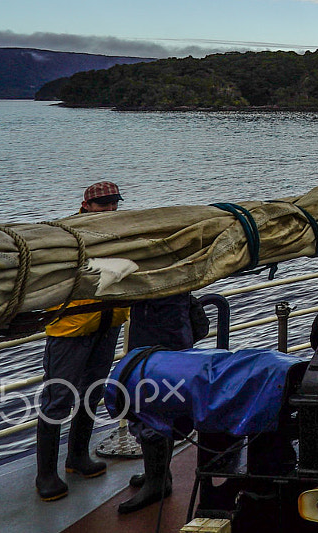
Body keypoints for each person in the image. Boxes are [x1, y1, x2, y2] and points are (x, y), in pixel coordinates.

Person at [35, 181, 130, 502]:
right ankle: (45, 474)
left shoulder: (122, 234)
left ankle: (77, 458)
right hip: (71, 329)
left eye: (114, 203)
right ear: (86, 205)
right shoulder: (65, 236)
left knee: (93, 392)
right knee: (58, 400)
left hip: (108, 324)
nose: (110, 209)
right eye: (103, 204)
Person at [116, 284, 197, 512]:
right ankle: (159, 472)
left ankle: (157, 482)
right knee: (154, 395)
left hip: (160, 320)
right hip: (161, 317)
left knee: (151, 398)